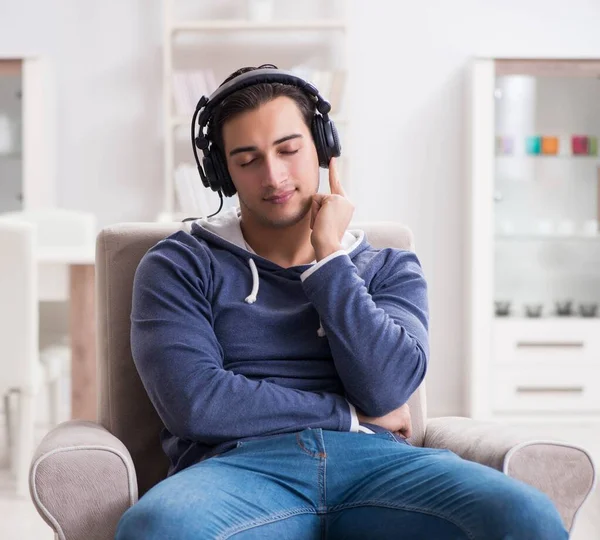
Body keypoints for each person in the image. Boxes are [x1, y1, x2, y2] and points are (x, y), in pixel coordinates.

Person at [115, 65, 567, 539]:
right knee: (157, 527)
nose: (274, 176)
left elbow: (386, 390)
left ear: (324, 149)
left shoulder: (389, 268)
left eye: (289, 150)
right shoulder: (179, 263)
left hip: (381, 466)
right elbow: (196, 403)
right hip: (238, 470)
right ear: (222, 172)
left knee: (525, 515)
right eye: (247, 160)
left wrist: (329, 258)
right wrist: (347, 415)